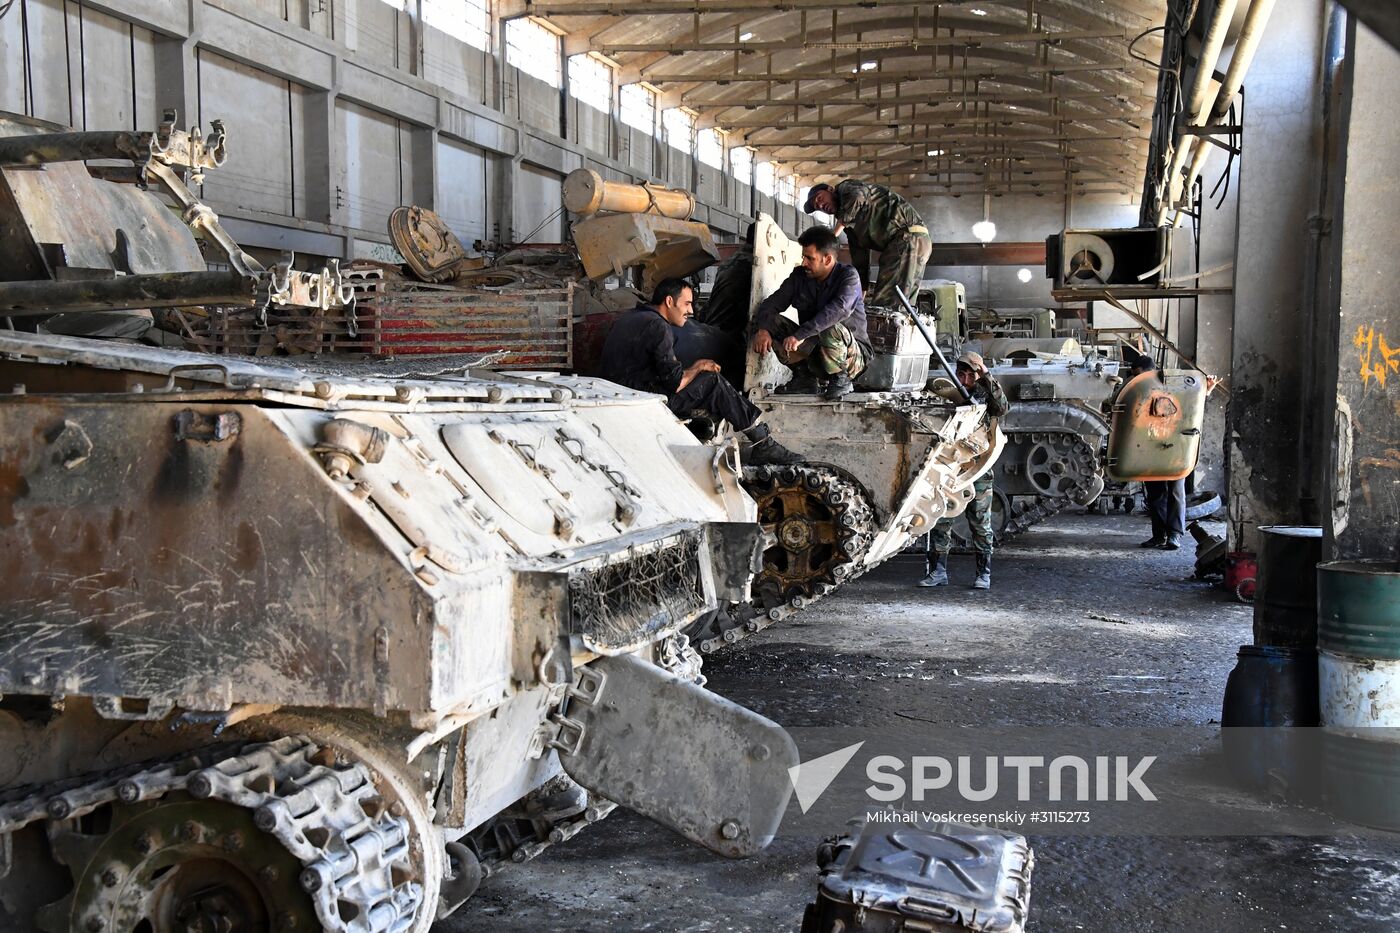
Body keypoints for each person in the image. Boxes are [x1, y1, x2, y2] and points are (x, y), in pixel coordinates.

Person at [599, 278, 803, 466]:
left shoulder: (632, 317)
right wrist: (698, 366)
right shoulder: (658, 326)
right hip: (643, 399)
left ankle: (704, 430)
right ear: (669, 301)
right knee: (713, 382)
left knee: (704, 382)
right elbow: (676, 383)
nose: (691, 311)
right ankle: (764, 444)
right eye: (687, 304)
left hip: (619, 392)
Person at [919, 350, 1009, 590]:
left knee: (980, 523)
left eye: (971, 375)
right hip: (948, 468)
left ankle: (983, 574)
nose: (966, 380)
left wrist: (987, 375)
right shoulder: (946, 392)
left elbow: (1002, 408)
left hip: (977, 469)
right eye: (962, 374)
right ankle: (938, 571)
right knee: (940, 518)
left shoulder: (984, 394)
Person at [750, 226, 872, 401]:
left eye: (809, 258)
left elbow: (839, 309)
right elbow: (771, 304)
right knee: (772, 322)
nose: (803, 262)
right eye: (803, 256)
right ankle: (804, 378)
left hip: (852, 358)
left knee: (829, 325)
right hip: (816, 351)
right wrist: (763, 329)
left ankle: (841, 378)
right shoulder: (800, 276)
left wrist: (800, 335)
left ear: (828, 259)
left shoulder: (849, 277)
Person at [804, 180, 932, 308]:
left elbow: (859, 196)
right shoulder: (850, 226)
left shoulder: (846, 188)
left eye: (819, 198)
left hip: (906, 238)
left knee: (886, 307)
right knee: (904, 305)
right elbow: (860, 259)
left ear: (830, 189)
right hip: (916, 242)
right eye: (816, 206)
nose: (820, 205)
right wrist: (860, 295)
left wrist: (833, 235)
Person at [1118, 354, 1187, 550]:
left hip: (1173, 445)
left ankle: (1174, 535)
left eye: (1138, 374)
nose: (1136, 379)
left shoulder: (1171, 386)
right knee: (1156, 494)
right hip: (1151, 446)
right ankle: (1159, 536)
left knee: (1175, 492)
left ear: (1147, 370)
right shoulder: (1138, 392)